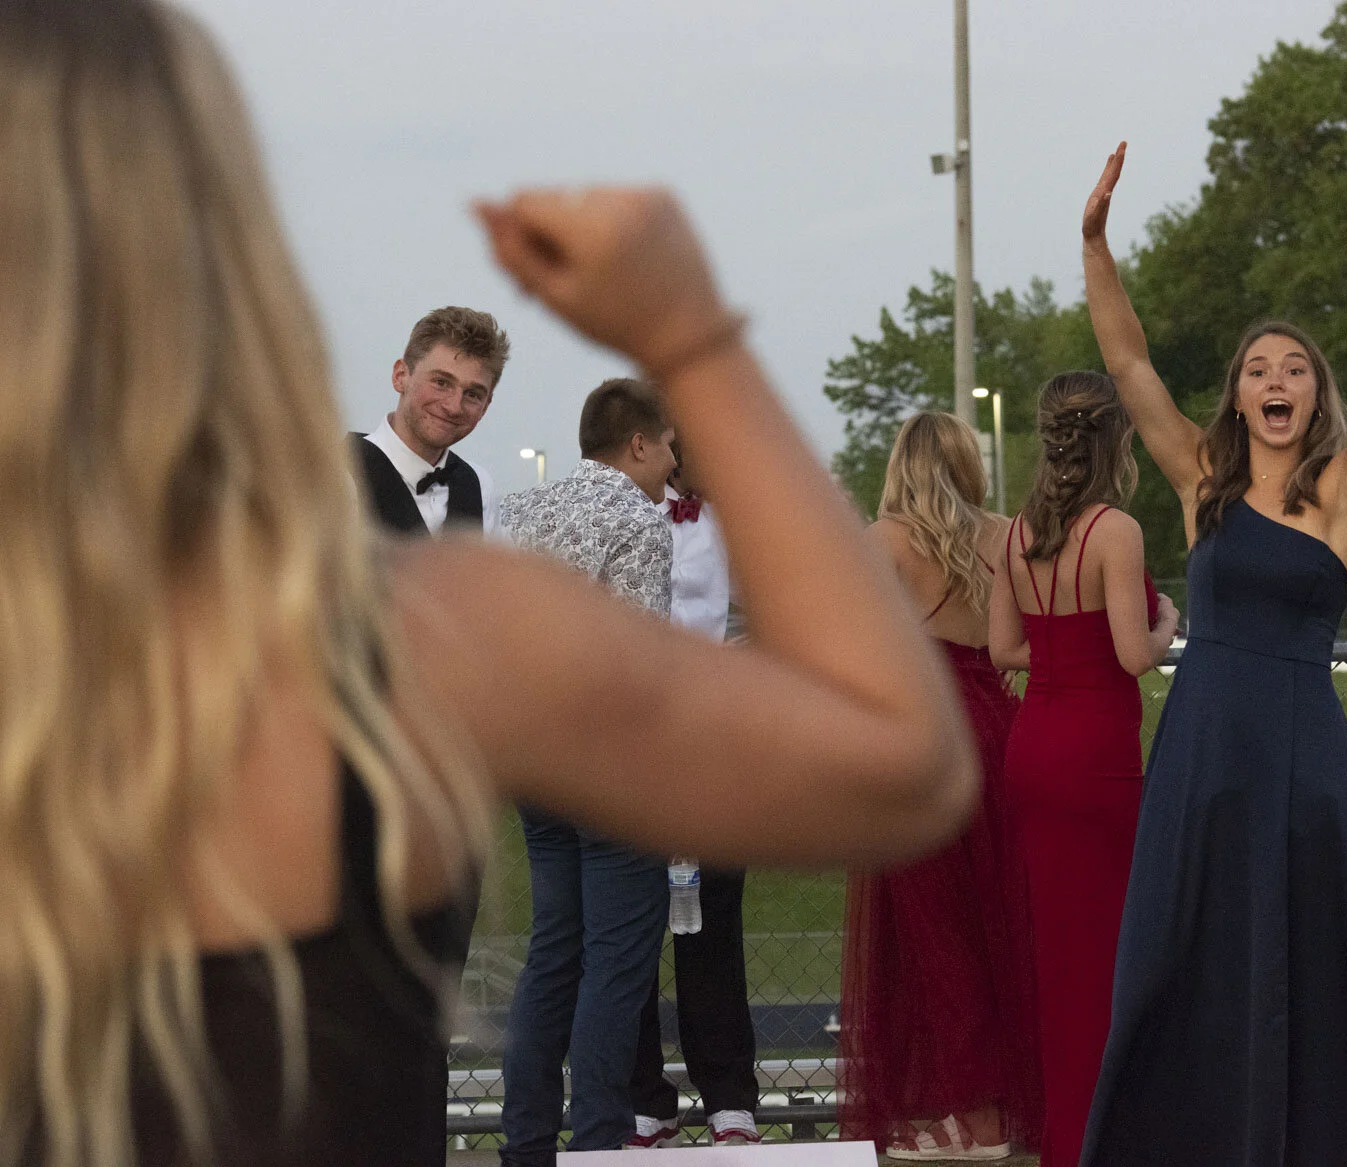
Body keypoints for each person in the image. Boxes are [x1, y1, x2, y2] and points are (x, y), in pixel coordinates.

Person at [2, 3, 979, 1165]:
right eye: (445, 386)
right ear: (223, 240)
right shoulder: (430, 622)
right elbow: (901, 761)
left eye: (474, 393)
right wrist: (691, 335)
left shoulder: (447, 551)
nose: (454, 409)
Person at [1075, 143, 1347, 1165]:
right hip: (1204, 755)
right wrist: (1097, 250)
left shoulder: (1344, 496)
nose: (1274, 381)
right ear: (1237, 399)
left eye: (1292, 370)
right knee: (1179, 959)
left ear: (1310, 394)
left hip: (1305, 758)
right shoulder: (1204, 482)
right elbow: (1130, 365)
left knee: (1310, 961)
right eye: (1255, 370)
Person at [839, 412, 1043, 1161]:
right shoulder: (1009, 534)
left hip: (924, 737)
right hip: (1002, 728)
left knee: (933, 937)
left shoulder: (882, 540)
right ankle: (1012, 1106)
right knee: (1004, 927)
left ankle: (969, 1115)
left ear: (900, 465)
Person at [987, 372, 1177, 1167]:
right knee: (1105, 957)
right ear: (1115, 440)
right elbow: (1136, 654)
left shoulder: (1012, 533)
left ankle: (1063, 1140)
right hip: (1097, 757)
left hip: (1033, 746)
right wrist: (1169, 618)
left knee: (1056, 963)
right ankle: (1106, 1141)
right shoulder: (1116, 531)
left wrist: (1062, 655)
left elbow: (1005, 651)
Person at [495, 379, 679, 1164]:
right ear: (637, 443)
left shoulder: (520, 513)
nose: (674, 462)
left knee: (552, 953)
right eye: (670, 444)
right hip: (609, 764)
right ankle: (600, 1141)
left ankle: (527, 1140)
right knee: (618, 964)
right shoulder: (639, 520)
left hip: (534, 757)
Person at [627, 445, 760, 1150]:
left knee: (714, 924)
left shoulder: (744, 522)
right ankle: (645, 1098)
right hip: (636, 744)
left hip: (717, 743)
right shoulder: (626, 512)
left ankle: (730, 1096)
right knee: (634, 928)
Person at [351, 306, 508, 537]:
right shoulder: (339, 474)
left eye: (473, 394)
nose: (454, 406)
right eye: (441, 383)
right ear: (400, 376)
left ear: (486, 405)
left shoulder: (480, 487)